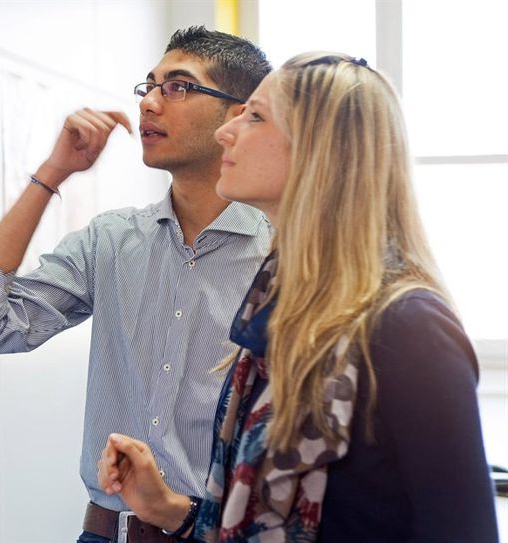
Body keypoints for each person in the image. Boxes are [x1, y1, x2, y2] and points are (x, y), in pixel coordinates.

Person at [96, 52, 499, 542]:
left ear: (322, 150)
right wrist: (166, 508)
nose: (227, 132)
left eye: (256, 117)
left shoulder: (409, 326)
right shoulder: (275, 312)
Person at [0, 27, 272, 541]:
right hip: (105, 532)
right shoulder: (113, 242)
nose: (149, 105)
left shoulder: (277, 256)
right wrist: (52, 173)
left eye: (178, 87)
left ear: (237, 115)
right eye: (149, 87)